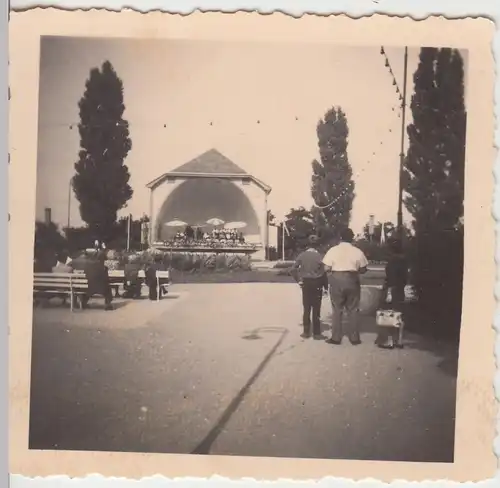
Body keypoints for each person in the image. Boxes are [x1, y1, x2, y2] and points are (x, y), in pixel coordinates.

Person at [322, 227, 369, 345]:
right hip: (352, 279)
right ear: (352, 238)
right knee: (353, 309)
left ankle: (336, 337)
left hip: (337, 279)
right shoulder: (357, 251)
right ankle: (354, 338)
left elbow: (326, 267)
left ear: (340, 237)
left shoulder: (333, 250)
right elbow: (363, 269)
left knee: (337, 309)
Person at [290, 235, 329, 339]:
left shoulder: (302, 255)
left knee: (306, 308)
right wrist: (326, 287)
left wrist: (299, 280)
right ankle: (316, 333)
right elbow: (324, 272)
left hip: (306, 283)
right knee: (316, 309)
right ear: (318, 245)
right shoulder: (320, 256)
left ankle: (306, 332)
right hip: (317, 283)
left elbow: (293, 269)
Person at [375, 238, 409, 348]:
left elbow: (391, 278)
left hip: (392, 289)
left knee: (388, 314)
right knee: (399, 315)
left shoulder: (392, 262)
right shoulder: (404, 261)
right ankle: (399, 340)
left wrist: (388, 292)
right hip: (400, 289)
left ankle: (388, 340)